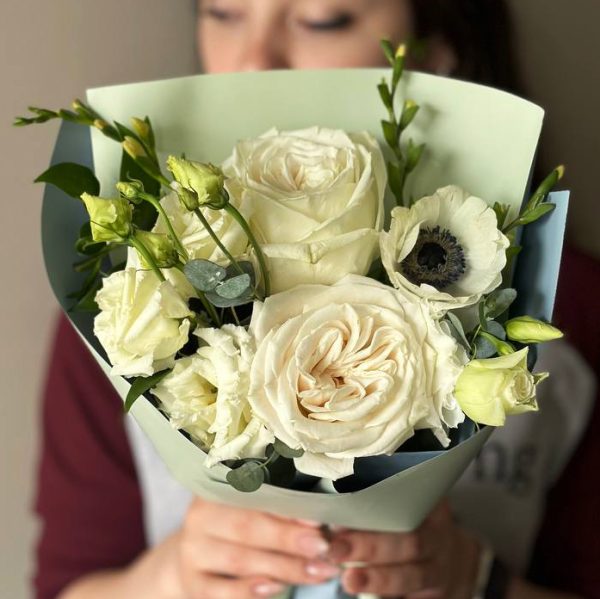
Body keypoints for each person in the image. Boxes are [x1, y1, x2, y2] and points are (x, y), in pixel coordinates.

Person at [33, 1, 599, 598]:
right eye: (223, 13)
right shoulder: (129, 313)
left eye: (323, 20)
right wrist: (174, 578)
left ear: (434, 49)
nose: (253, 62)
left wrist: (476, 581)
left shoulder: (572, 310)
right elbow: (65, 583)